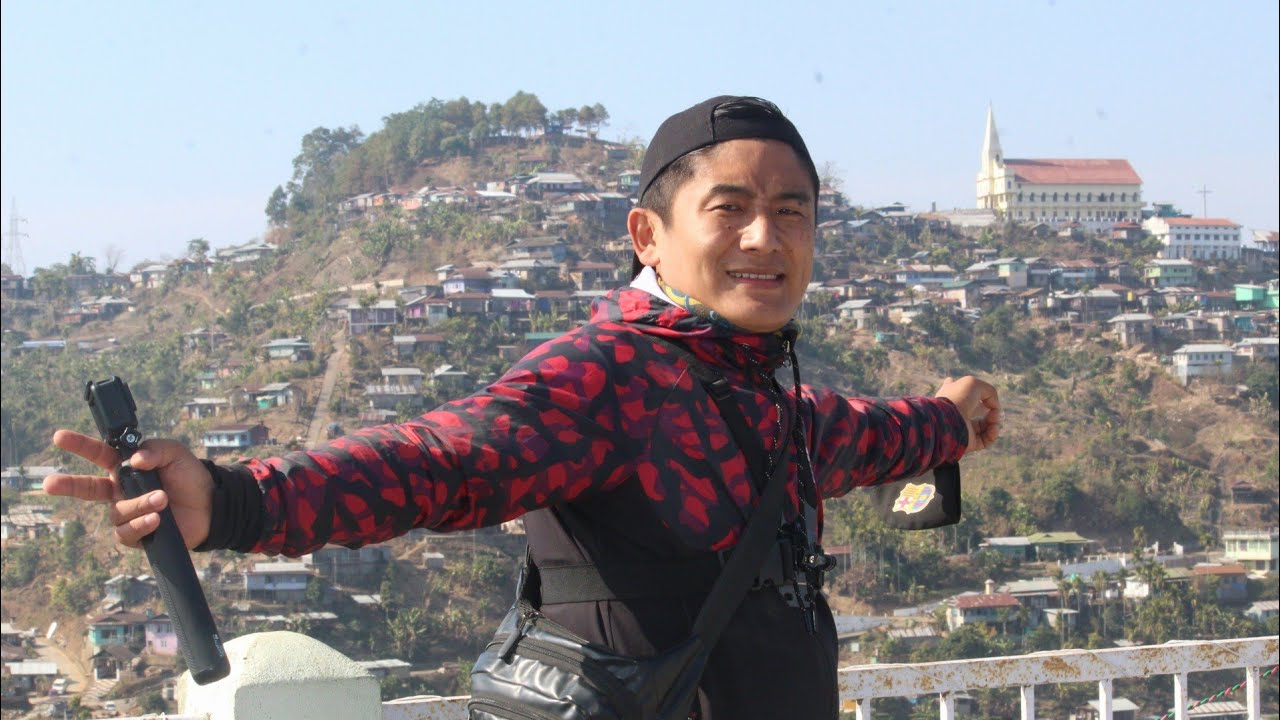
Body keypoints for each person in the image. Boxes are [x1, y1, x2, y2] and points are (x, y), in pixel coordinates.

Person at [46, 95, 1000, 719]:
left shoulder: (771, 396)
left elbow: (876, 436)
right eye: (731, 208)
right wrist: (238, 500)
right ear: (649, 237)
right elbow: (436, 461)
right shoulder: (608, 378)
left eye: (793, 211)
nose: (767, 235)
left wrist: (953, 417)